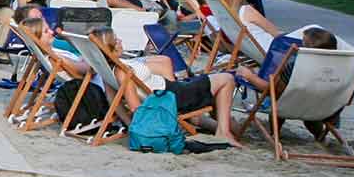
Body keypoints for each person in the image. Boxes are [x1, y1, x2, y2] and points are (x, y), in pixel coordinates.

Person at [96, 26, 243, 146]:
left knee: (209, 87)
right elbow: (135, 107)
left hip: (171, 91)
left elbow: (112, 100)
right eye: (116, 40)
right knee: (227, 78)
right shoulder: (123, 71)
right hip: (173, 96)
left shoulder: (108, 68)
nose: (120, 40)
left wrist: (129, 125)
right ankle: (223, 132)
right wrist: (136, 127)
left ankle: (218, 126)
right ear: (111, 47)